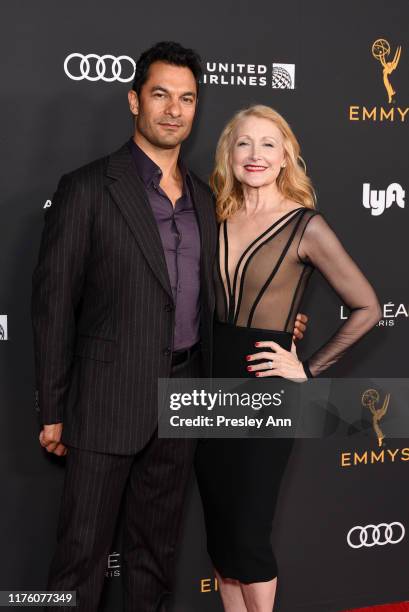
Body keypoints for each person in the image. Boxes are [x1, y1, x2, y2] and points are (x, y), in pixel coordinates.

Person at [31, 43, 308, 611]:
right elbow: (53, 305)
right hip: (105, 402)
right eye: (160, 95)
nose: (174, 109)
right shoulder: (87, 188)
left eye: (186, 98)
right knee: (78, 559)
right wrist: (53, 408)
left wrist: (285, 328)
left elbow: (232, 291)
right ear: (135, 100)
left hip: (186, 401)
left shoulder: (208, 201)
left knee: (154, 560)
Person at [194, 104, 382, 612]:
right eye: (244, 144)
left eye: (268, 145)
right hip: (209, 382)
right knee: (221, 531)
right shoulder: (214, 213)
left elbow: (368, 307)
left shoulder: (306, 226)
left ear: (285, 158)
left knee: (249, 533)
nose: (255, 155)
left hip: (265, 387)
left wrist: (307, 368)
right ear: (229, 155)